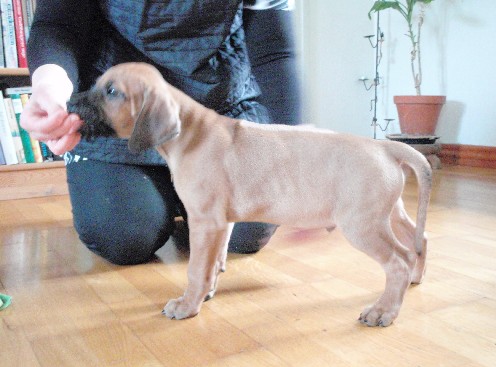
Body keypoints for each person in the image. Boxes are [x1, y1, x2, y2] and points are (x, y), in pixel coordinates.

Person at [20, 0, 302, 265]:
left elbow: (274, 50)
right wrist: (51, 87)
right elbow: (58, 24)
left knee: (249, 229)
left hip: (220, 103)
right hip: (119, 105)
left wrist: (294, 145)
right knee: (125, 236)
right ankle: (172, 194)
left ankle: (184, 195)